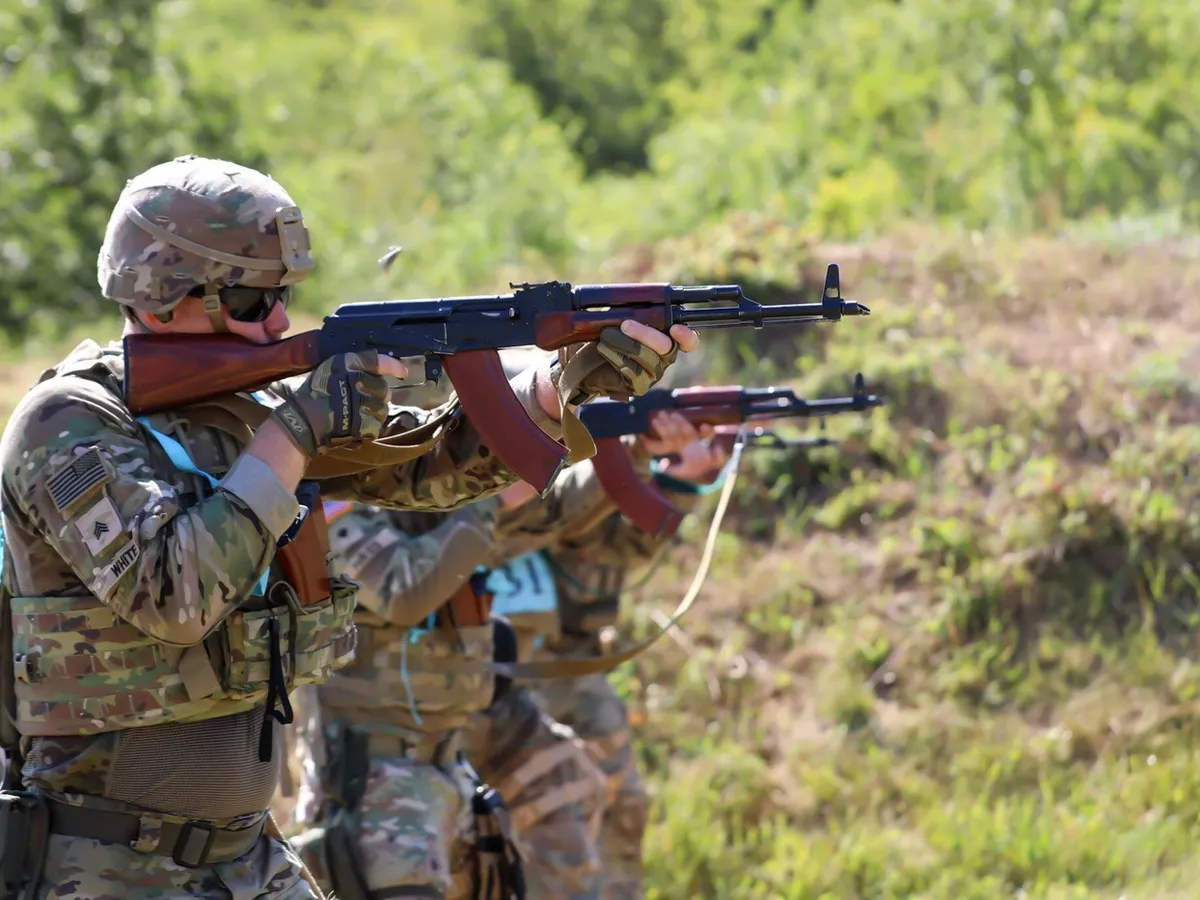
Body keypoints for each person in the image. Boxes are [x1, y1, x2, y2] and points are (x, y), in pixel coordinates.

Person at [0, 154, 697, 900]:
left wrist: (562, 387)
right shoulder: (69, 423)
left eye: (282, 296)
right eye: (248, 298)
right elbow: (178, 596)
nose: (276, 321)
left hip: (243, 853)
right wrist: (298, 430)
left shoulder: (250, 413)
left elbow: (425, 470)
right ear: (161, 296)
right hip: (104, 863)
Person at [464, 412, 729, 899]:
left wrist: (671, 479)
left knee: (616, 808)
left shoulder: (574, 461)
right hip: (472, 681)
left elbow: (611, 550)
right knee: (497, 835)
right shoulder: (451, 465)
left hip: (565, 664)